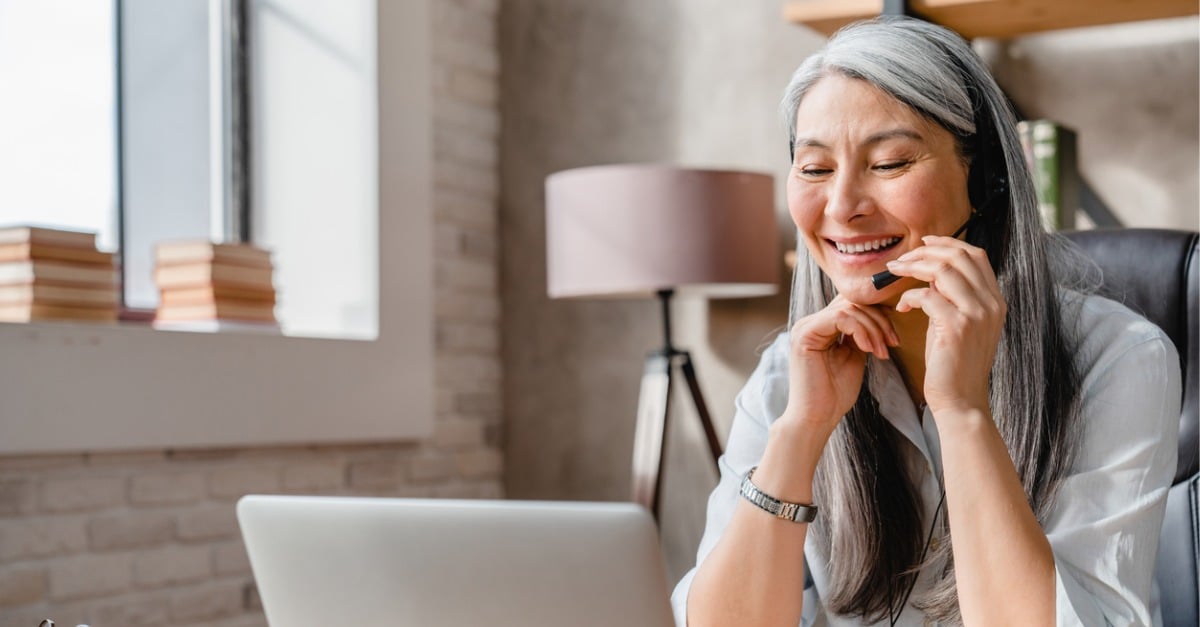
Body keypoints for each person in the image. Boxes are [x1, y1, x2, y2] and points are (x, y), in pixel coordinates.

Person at [672, 16, 1181, 627]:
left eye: (889, 163)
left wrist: (962, 409)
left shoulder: (1118, 357)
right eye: (814, 169)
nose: (841, 207)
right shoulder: (788, 374)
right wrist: (801, 432)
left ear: (986, 179)